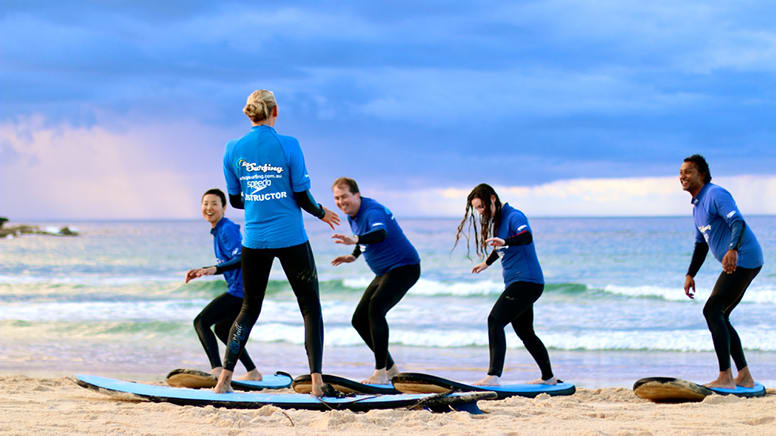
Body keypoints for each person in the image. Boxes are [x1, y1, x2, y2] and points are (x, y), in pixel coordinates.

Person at [214, 89, 340, 396]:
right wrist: (322, 213)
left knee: (248, 309)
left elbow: (236, 200)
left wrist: (260, 198)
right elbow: (301, 195)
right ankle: (317, 383)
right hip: (291, 238)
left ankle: (224, 381)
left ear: (250, 113)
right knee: (310, 308)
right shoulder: (289, 145)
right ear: (275, 111)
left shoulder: (233, 149)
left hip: (254, 240)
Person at [454, 183, 557, 386]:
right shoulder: (499, 221)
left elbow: (526, 237)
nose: (479, 212)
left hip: (526, 281)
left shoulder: (514, 216)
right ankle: (549, 377)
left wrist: (506, 242)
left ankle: (493, 376)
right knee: (525, 332)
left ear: (493, 199)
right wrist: (486, 263)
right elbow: (501, 247)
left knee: (495, 320)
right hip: (522, 282)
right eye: (476, 208)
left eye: (481, 206)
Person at [680, 154, 763, 389]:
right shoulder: (697, 207)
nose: (682, 176)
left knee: (713, 310)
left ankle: (725, 376)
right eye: (680, 172)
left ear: (702, 175)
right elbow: (701, 244)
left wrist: (732, 249)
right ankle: (744, 376)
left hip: (745, 258)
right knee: (721, 315)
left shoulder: (715, 194)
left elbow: (738, 222)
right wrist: (690, 274)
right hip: (737, 261)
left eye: (688, 171)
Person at [330, 177, 421, 385]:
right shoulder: (353, 214)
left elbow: (379, 233)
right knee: (359, 320)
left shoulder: (372, 211)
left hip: (404, 267)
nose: (341, 201)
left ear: (356, 195)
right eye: (336, 198)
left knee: (376, 308)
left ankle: (380, 372)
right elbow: (362, 236)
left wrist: (356, 240)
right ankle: (391, 369)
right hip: (385, 272)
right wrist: (353, 255)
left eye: (344, 196)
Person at [184, 188, 260, 381]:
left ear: (224, 208)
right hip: (239, 290)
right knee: (223, 330)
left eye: (214, 204)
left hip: (241, 291)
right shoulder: (219, 230)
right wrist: (203, 269)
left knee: (201, 322)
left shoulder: (227, 229)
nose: (209, 208)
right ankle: (253, 372)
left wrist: (214, 269)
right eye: (205, 204)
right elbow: (229, 263)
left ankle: (216, 369)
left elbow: (242, 256)